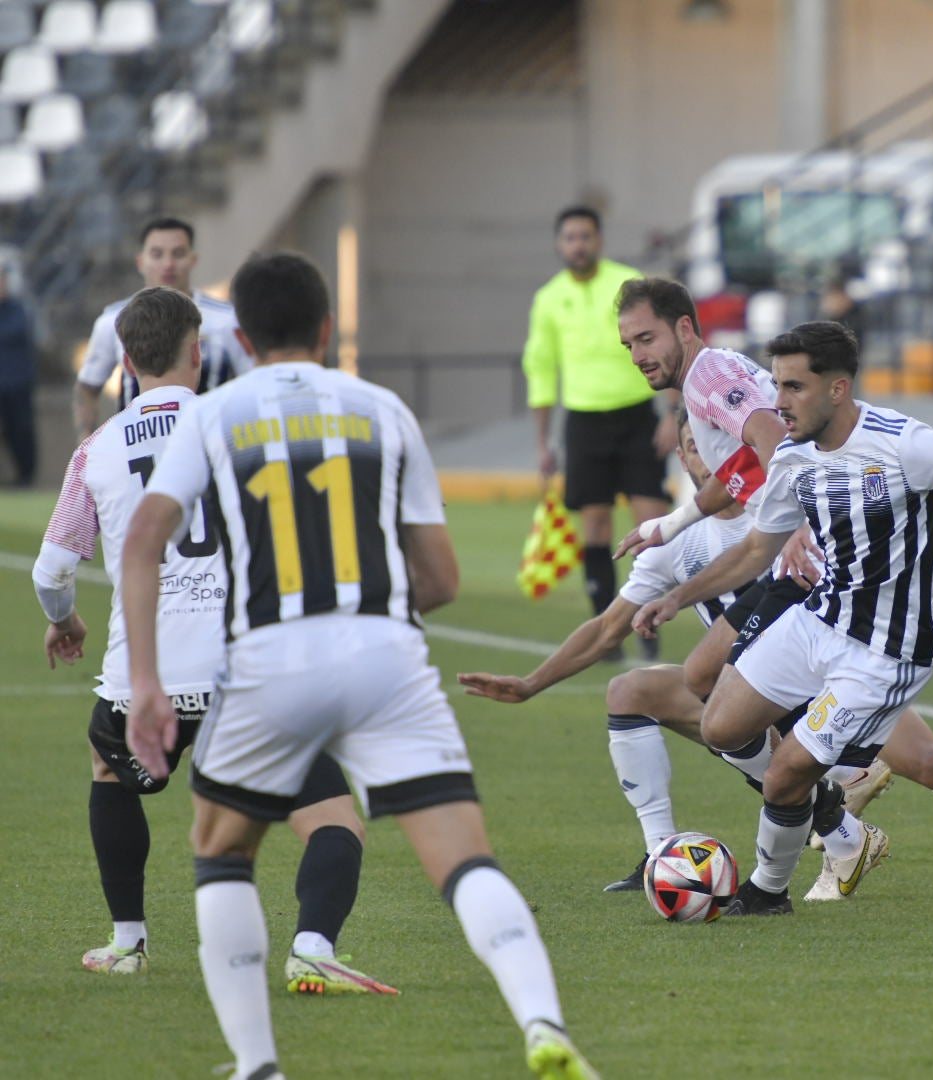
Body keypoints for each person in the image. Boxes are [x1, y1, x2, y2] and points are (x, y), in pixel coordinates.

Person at [120, 255, 597, 1080]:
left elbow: (141, 543)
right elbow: (442, 579)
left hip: (268, 658)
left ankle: (257, 1064)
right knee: (464, 860)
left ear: (237, 337)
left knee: (222, 852)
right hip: (385, 655)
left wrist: (148, 684)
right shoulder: (384, 409)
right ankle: (543, 1024)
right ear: (327, 327)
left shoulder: (213, 415)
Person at [619, 282, 933, 904]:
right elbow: (757, 550)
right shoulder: (792, 457)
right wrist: (677, 596)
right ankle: (835, 811)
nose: (778, 402)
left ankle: (770, 888)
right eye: (775, 385)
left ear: (837, 388)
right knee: (722, 726)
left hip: (888, 647)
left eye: (793, 387)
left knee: (794, 771)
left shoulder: (904, 443)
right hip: (818, 620)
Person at [32, 286, 391, 993]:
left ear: (126, 363)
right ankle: (313, 946)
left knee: (111, 776)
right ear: (199, 352)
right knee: (332, 818)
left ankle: (127, 942)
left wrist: (63, 616)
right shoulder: (246, 424)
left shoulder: (96, 449)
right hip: (250, 669)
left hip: (145, 676)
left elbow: (51, 570)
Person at [458, 412, 893, 892]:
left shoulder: (785, 516)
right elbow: (608, 628)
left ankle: (840, 812)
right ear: (681, 456)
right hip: (742, 693)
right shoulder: (674, 540)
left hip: (827, 681)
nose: (707, 454)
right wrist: (530, 684)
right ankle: (661, 856)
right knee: (631, 690)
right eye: (693, 445)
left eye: (717, 441)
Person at [522, 206, 674, 649]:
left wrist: (670, 413)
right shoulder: (549, 298)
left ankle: (649, 622)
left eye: (585, 236)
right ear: (559, 244)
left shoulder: (626, 284)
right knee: (597, 527)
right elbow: (540, 368)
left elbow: (659, 344)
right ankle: (607, 632)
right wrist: (543, 443)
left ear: (599, 240)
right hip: (584, 420)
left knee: (651, 523)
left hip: (636, 415)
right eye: (570, 237)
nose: (578, 245)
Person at [74, 217, 252, 439]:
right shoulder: (113, 320)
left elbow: (251, 381)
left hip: (212, 446)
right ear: (141, 262)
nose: (168, 264)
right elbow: (88, 387)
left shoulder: (227, 319)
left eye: (178, 254)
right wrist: (87, 438)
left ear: (193, 260)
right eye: (157, 254)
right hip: (139, 450)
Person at [0, 263, 36, 486]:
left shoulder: (18, 309)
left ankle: (25, 476)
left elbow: (15, 332)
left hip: (16, 384)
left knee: (20, 431)